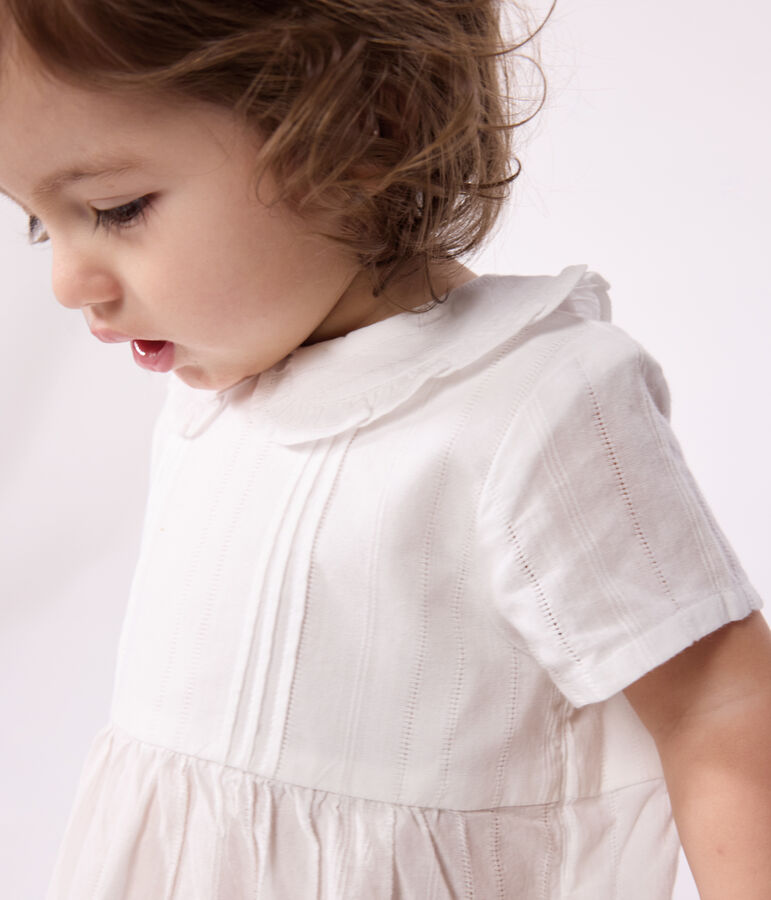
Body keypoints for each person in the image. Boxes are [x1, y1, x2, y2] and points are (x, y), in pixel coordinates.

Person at [0, 1, 768, 897]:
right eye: (39, 222)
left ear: (364, 129)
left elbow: (720, 710)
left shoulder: (532, 403)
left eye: (115, 208)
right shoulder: (218, 398)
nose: (65, 283)